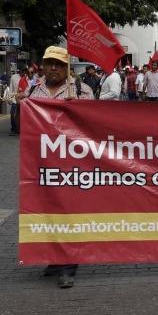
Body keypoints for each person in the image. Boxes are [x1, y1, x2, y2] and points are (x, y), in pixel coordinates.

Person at [22, 46, 94, 288]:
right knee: (46, 212)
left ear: (67, 68)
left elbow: (94, 127)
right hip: (40, 165)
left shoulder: (82, 91)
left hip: (71, 166)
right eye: (49, 63)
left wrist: (79, 108)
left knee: (68, 214)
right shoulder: (33, 90)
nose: (53, 68)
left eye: (59, 64)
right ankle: (54, 259)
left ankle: (68, 266)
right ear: (42, 65)